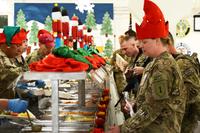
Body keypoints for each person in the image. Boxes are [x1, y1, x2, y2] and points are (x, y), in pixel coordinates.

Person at [108, 0, 186, 132]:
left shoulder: (163, 67)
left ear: (157, 40)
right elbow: (151, 99)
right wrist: (135, 104)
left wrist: (123, 129)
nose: (140, 45)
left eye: (145, 41)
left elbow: (153, 108)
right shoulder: (155, 62)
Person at [166, 32, 200, 133]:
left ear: (168, 42)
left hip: (185, 122)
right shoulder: (170, 63)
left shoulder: (182, 63)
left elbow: (193, 97)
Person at [0, 26, 28, 99]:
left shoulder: (7, 56)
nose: (19, 49)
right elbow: (10, 73)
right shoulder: (1, 57)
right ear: (8, 46)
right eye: (17, 46)